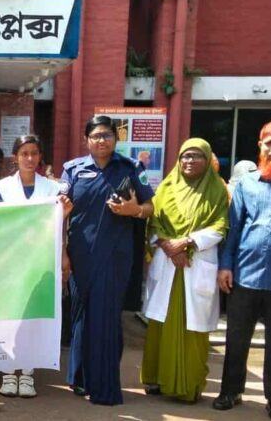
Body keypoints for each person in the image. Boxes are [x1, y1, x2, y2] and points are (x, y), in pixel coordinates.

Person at [61, 115, 154, 405]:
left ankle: (103, 386)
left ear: (116, 138)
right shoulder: (73, 170)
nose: (101, 140)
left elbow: (150, 206)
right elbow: (60, 210)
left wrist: (134, 210)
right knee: (80, 315)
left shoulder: (130, 168)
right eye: (96, 136)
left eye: (107, 135)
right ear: (86, 140)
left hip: (114, 256)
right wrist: (63, 249)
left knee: (105, 317)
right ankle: (80, 377)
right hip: (80, 255)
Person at [213, 120, 271, 421]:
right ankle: (230, 391)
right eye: (269, 143)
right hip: (245, 276)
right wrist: (226, 265)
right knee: (236, 338)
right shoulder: (247, 184)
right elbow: (234, 228)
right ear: (260, 147)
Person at [140, 138, 229, 403]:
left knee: (194, 329)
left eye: (196, 156)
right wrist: (169, 246)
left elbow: (221, 226)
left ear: (208, 159)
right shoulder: (166, 188)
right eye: (185, 156)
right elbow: (153, 222)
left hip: (196, 263)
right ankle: (156, 379)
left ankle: (188, 386)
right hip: (168, 262)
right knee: (160, 323)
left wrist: (188, 242)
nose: (189, 161)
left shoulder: (217, 191)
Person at [0, 135, 73, 397]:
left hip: (41, 261)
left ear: (40, 157)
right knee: (10, 315)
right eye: (24, 153)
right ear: (15, 157)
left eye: (34, 153)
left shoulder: (52, 188)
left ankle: (27, 373)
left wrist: (63, 250)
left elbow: (58, 226)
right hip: (10, 261)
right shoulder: (2, 187)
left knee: (33, 316)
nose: (29, 158)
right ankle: (7, 371)